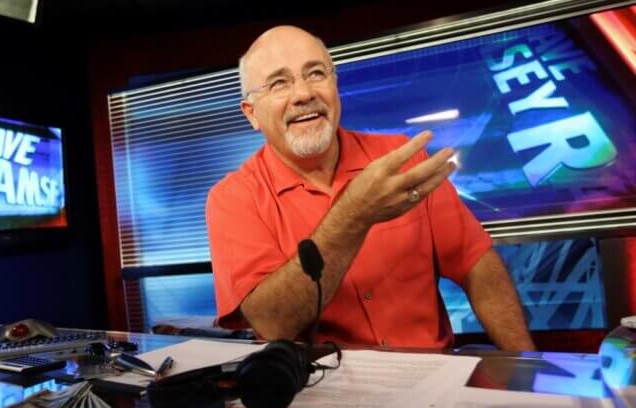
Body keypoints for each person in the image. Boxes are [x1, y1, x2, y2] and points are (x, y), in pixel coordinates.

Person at [205, 25, 535, 351]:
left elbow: (477, 264)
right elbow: (272, 323)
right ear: (251, 114)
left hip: (432, 381)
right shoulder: (233, 199)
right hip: (322, 394)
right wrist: (354, 215)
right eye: (279, 83)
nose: (304, 94)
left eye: (316, 74)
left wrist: (527, 365)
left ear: (334, 84)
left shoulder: (402, 159)